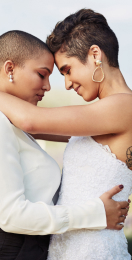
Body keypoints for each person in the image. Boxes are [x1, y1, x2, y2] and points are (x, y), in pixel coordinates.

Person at [0, 30, 127, 260]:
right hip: (60, 246)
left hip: (94, 248)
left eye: (67, 70)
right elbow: (30, 125)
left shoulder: (123, 107)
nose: (64, 84)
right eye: (44, 74)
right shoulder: (97, 118)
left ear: (95, 54)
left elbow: (32, 121)